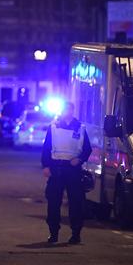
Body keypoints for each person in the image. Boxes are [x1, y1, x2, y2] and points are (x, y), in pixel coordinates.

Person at [41, 102, 92, 245]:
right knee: (53, 202)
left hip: (73, 170)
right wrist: (45, 166)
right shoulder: (54, 126)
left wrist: (80, 159)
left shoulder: (80, 128)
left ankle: (76, 234)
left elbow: (87, 149)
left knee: (76, 203)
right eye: (65, 109)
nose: (67, 112)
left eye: (69, 109)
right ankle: (53, 233)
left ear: (72, 110)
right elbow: (46, 148)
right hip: (56, 168)